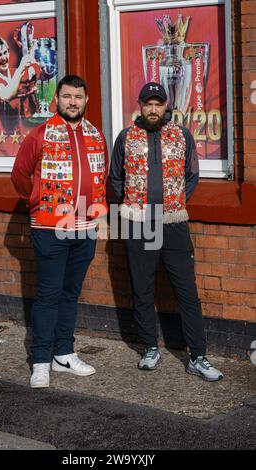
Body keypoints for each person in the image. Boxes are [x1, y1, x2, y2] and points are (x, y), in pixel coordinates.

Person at [109, 82, 223, 382]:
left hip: (173, 222)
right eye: (149, 103)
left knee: (187, 290)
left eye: (158, 103)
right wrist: (134, 203)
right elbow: (115, 178)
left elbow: (192, 175)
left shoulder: (182, 135)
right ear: (141, 105)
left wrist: (172, 200)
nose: (153, 109)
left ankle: (198, 356)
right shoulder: (126, 137)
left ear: (166, 106)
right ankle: (150, 347)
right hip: (138, 221)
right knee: (142, 288)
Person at [11, 75, 108, 388]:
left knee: (70, 293)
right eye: (67, 96)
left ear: (86, 100)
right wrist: (37, 201)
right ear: (58, 99)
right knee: (48, 295)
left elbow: (101, 181)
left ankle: (64, 353)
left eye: (78, 97)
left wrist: (99, 216)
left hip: (84, 228)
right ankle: (40, 361)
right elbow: (20, 174)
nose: (73, 102)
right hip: (50, 228)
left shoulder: (96, 135)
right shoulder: (41, 134)